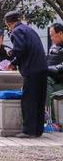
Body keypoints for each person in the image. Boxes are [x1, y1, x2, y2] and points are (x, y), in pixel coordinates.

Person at [4, 10, 47, 138]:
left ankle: (28, 131)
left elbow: (20, 49)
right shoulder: (29, 30)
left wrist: (11, 55)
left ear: (8, 23)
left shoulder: (16, 31)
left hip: (32, 69)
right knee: (39, 100)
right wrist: (14, 62)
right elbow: (26, 49)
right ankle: (38, 130)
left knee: (29, 100)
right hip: (42, 68)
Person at [46, 23, 63, 121]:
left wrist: (46, 68)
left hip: (59, 81)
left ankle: (49, 119)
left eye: (52, 35)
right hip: (54, 80)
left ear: (60, 33)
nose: (51, 38)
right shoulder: (53, 47)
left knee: (45, 81)